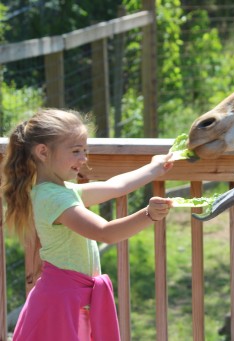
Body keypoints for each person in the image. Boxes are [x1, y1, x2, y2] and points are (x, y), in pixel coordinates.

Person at [1, 108, 174, 340]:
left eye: (85, 151)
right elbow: (105, 233)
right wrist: (148, 215)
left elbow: (115, 186)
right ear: (43, 152)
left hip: (69, 300)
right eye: (75, 151)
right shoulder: (53, 198)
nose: (84, 158)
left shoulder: (62, 191)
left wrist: (155, 167)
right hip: (61, 304)